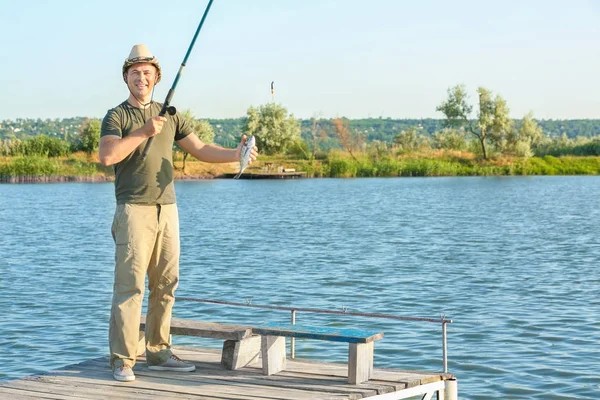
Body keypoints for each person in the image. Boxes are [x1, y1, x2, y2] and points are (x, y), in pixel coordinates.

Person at [99, 44, 258, 382]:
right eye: (134, 72)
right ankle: (123, 360)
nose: (141, 77)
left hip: (167, 209)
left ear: (156, 77)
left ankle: (158, 352)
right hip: (133, 209)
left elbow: (200, 149)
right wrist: (143, 131)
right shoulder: (117, 116)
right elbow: (108, 156)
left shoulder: (170, 114)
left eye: (147, 72)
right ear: (125, 77)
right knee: (130, 288)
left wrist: (237, 152)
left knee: (166, 284)